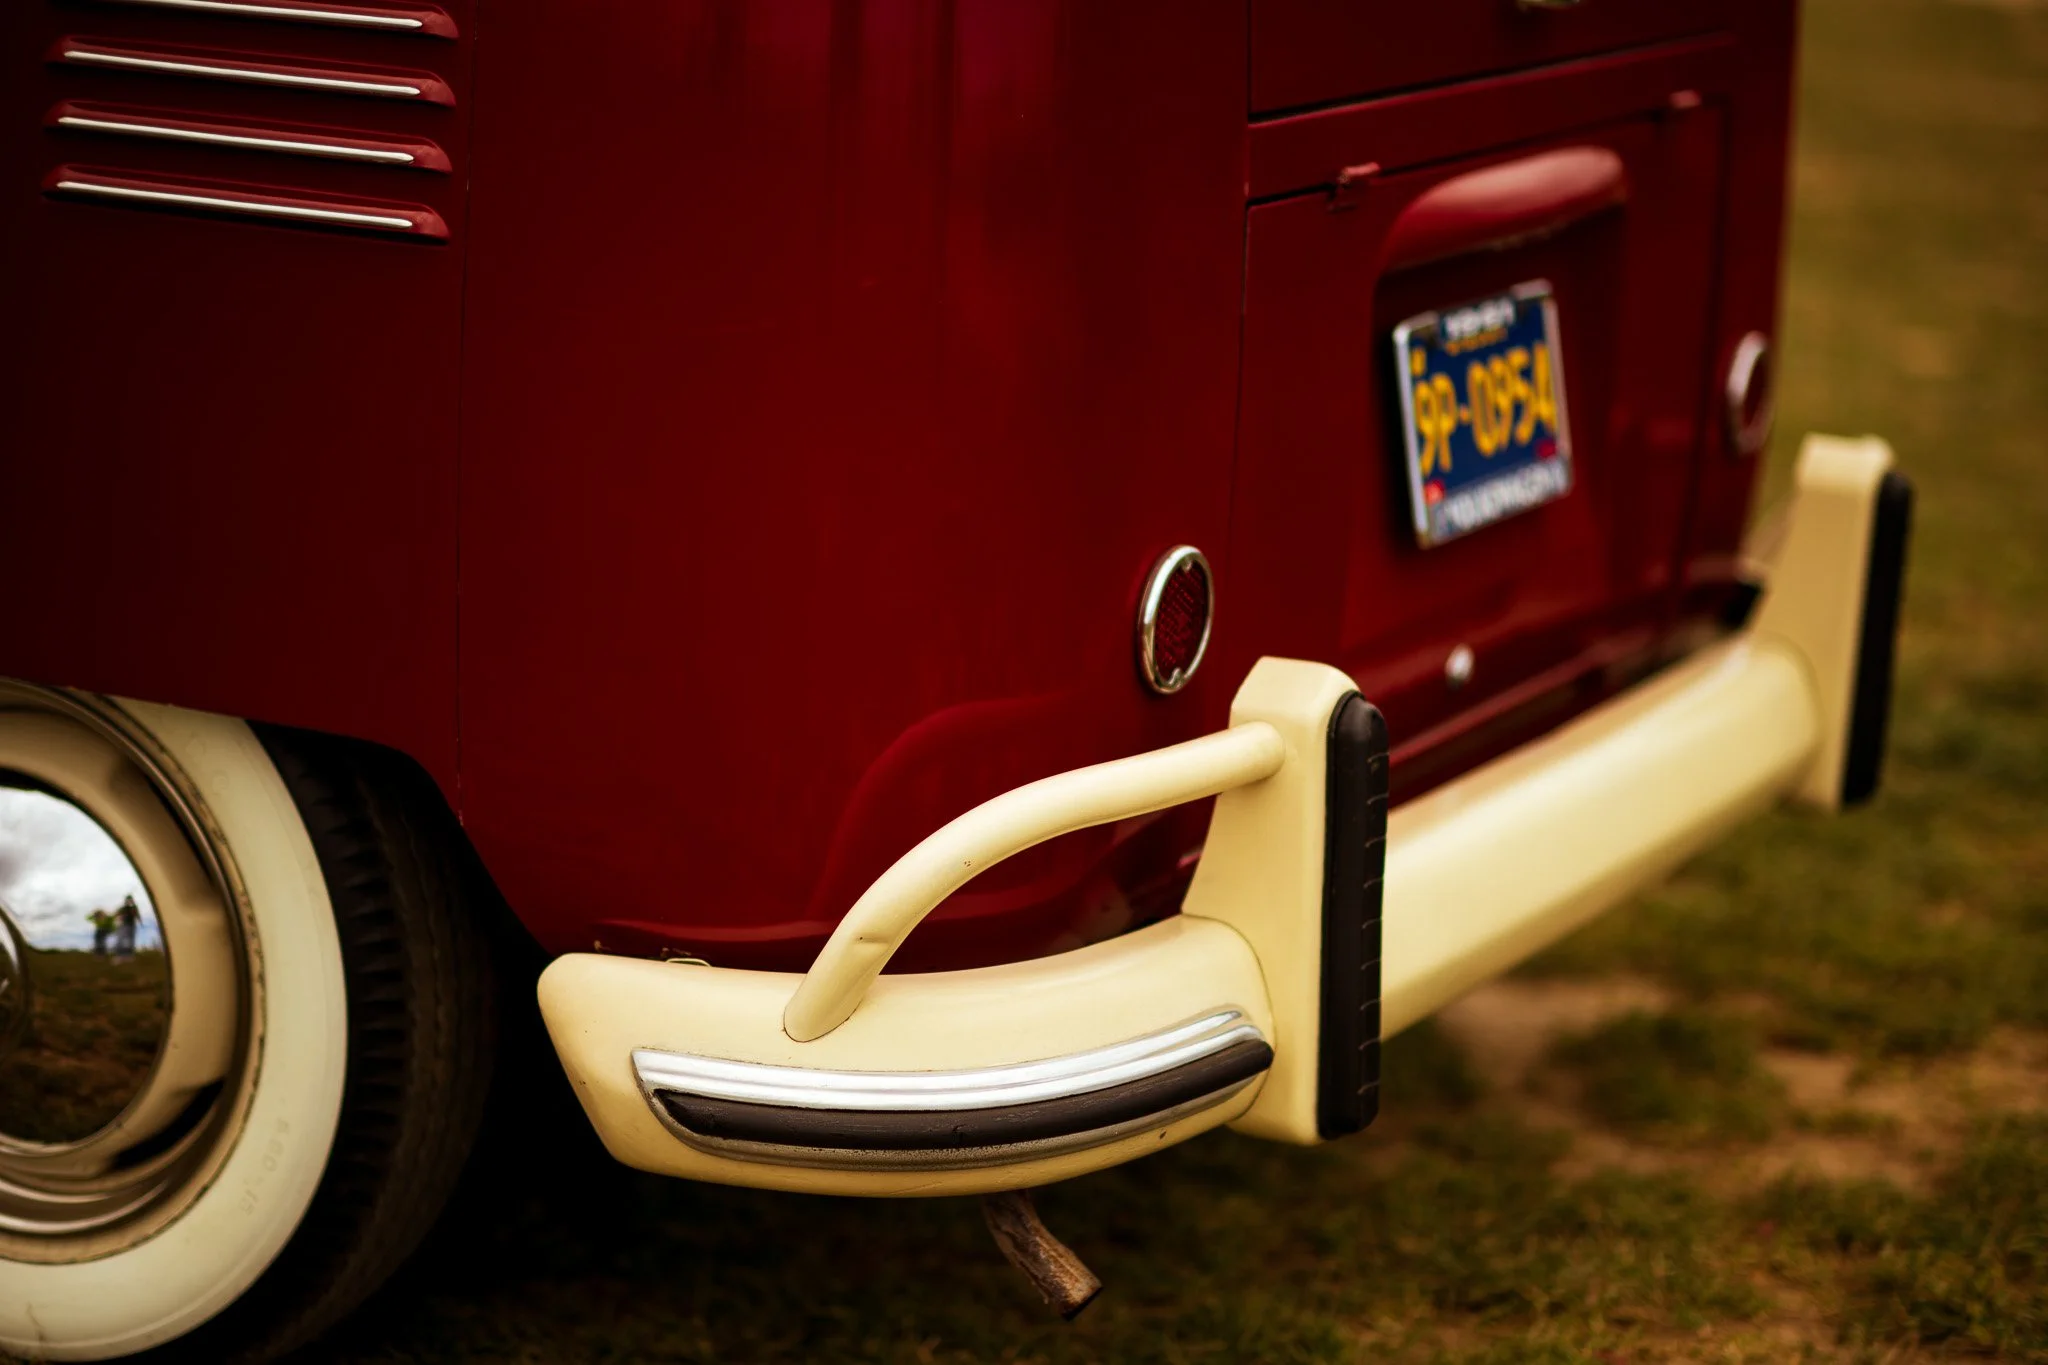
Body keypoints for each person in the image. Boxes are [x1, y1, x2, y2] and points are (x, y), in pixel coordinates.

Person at [112, 895, 140, 960]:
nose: (129, 901)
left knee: (130, 940)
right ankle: (119, 956)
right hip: (124, 925)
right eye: (128, 900)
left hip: (132, 925)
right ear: (126, 901)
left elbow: (137, 915)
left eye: (130, 900)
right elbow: (115, 915)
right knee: (121, 940)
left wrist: (140, 921)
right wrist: (119, 918)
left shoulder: (134, 907)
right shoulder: (123, 908)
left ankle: (129, 955)